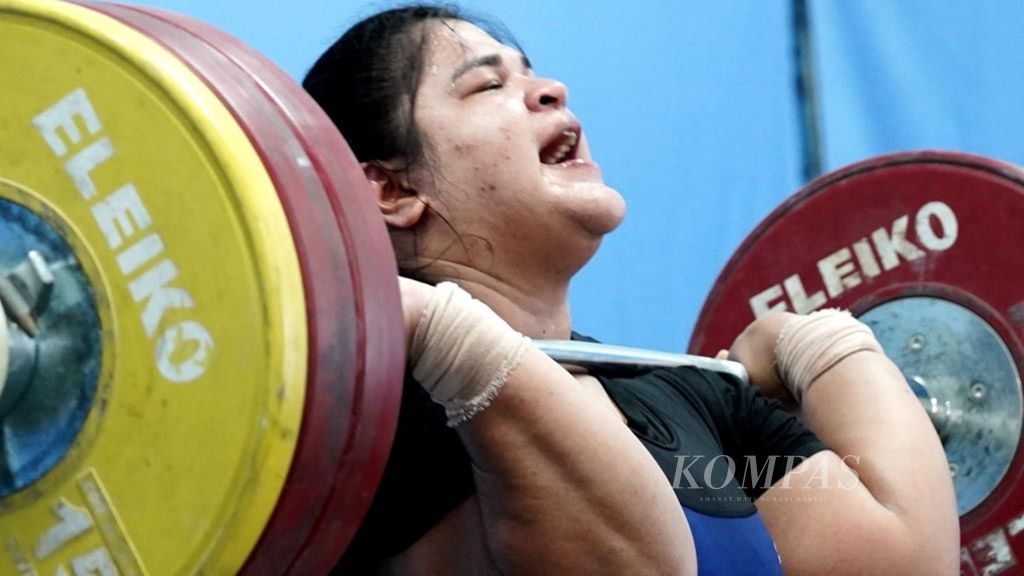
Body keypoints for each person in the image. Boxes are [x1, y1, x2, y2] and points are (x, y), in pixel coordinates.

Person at [302, 5, 959, 575]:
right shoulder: (378, 413)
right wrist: (443, 337)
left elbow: (905, 557)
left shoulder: (687, 391)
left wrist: (815, 342)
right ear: (392, 190)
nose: (551, 90)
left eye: (532, 72)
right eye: (488, 85)